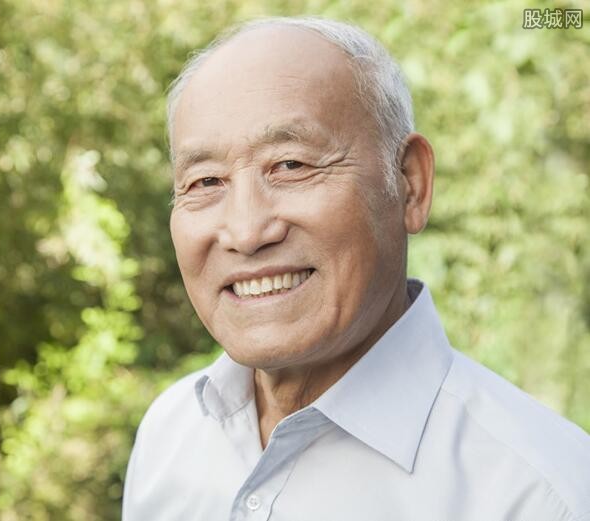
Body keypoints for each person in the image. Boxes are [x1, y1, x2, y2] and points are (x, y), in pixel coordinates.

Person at [122, 16, 590, 521]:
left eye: (291, 165)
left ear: (409, 184)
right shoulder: (170, 436)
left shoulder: (542, 494)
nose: (247, 231)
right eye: (206, 181)